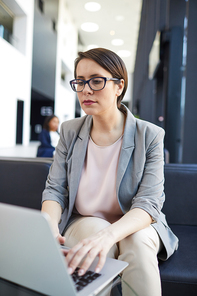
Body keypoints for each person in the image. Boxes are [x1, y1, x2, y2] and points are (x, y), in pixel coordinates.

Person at [41, 48, 178, 296]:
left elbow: (148, 204)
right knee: (91, 235)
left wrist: (109, 235)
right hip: (84, 220)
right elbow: (55, 189)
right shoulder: (70, 131)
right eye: (79, 82)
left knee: (134, 241)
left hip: (136, 223)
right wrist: (48, 224)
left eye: (96, 80)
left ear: (119, 86)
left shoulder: (150, 135)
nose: (86, 90)